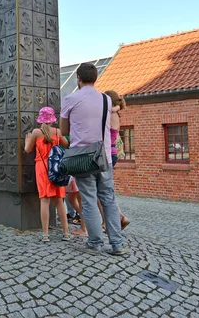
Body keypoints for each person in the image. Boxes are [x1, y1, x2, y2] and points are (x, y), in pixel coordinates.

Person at [61, 63, 128, 256]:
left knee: (89, 199)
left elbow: (64, 131)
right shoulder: (107, 100)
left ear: (78, 79)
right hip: (104, 156)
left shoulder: (70, 99)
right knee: (108, 198)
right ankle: (117, 244)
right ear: (96, 78)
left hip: (83, 157)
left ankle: (95, 242)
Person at [24, 106, 71, 242]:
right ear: (52, 119)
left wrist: (27, 141)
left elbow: (28, 150)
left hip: (42, 168)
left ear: (40, 119)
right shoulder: (57, 132)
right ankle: (66, 233)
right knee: (59, 201)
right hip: (56, 167)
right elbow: (66, 144)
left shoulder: (36, 132)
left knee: (44, 200)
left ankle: (45, 234)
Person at [103, 90, 131, 230]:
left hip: (108, 153)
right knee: (106, 189)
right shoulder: (114, 112)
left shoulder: (112, 114)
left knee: (105, 190)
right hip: (111, 153)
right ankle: (118, 217)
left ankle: (117, 218)